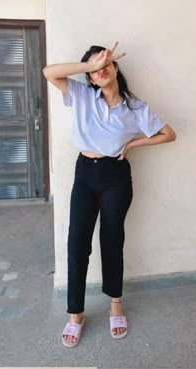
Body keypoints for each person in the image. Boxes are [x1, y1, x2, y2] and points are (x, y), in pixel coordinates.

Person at [43, 42, 176, 347]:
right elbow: (49, 72)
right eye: (95, 67)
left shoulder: (135, 108)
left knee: (111, 239)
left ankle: (116, 302)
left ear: (116, 67)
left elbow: (169, 134)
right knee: (77, 241)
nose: (101, 69)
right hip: (85, 174)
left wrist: (131, 145)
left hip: (116, 177)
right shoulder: (80, 95)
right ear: (90, 77)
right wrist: (89, 67)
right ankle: (75, 313)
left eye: (105, 63)